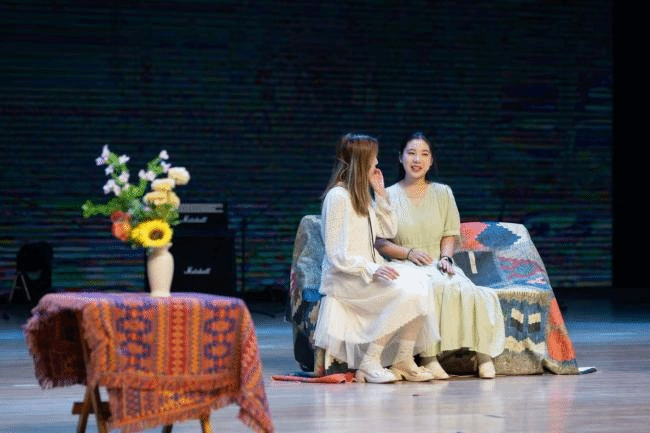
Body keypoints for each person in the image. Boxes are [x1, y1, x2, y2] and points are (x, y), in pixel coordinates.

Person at [375, 131, 506, 379]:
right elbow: (380, 242)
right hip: (405, 264)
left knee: (465, 289)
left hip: (437, 262)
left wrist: (446, 259)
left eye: (424, 154)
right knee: (428, 289)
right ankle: (429, 357)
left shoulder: (443, 192)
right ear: (401, 157)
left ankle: (483, 355)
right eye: (411, 153)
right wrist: (409, 253)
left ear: (431, 160)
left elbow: (449, 234)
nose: (417, 160)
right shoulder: (387, 195)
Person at [313, 133, 440, 383]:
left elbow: (388, 230)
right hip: (346, 278)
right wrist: (370, 269)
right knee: (406, 293)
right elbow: (336, 254)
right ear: (361, 160)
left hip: (367, 270)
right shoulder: (338, 197)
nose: (377, 162)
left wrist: (380, 195)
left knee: (422, 282)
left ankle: (403, 360)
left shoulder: (361, 194)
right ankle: (370, 362)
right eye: (373, 157)